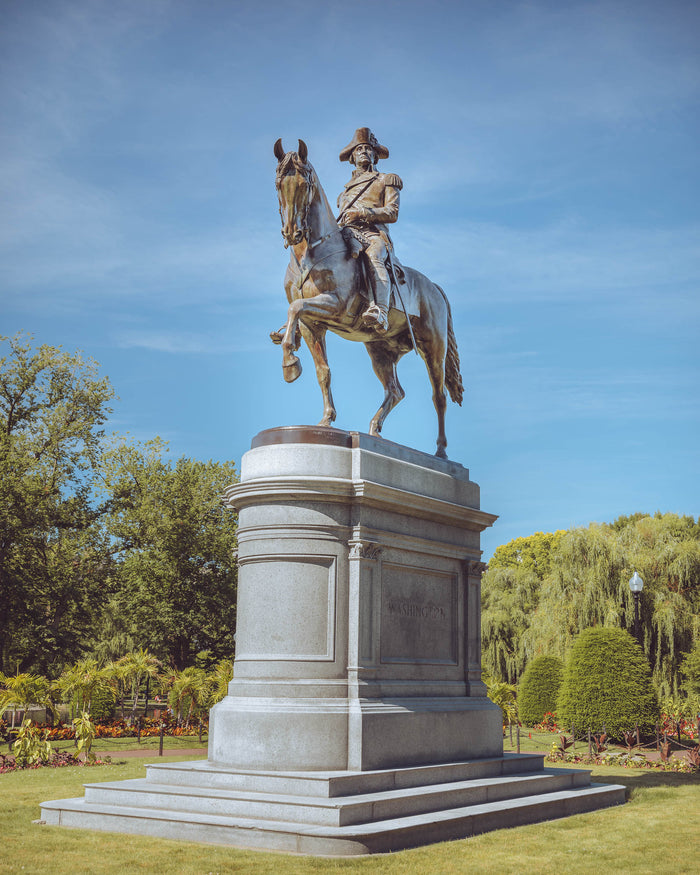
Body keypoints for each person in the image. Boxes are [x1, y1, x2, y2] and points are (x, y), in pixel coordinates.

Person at [337, 128, 403, 334]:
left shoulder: (386, 179)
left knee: (373, 255)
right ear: (352, 157)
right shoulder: (344, 193)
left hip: (374, 235)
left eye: (368, 149)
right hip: (348, 233)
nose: (364, 151)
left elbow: (392, 213)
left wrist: (363, 213)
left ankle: (380, 311)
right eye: (359, 149)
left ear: (375, 155)